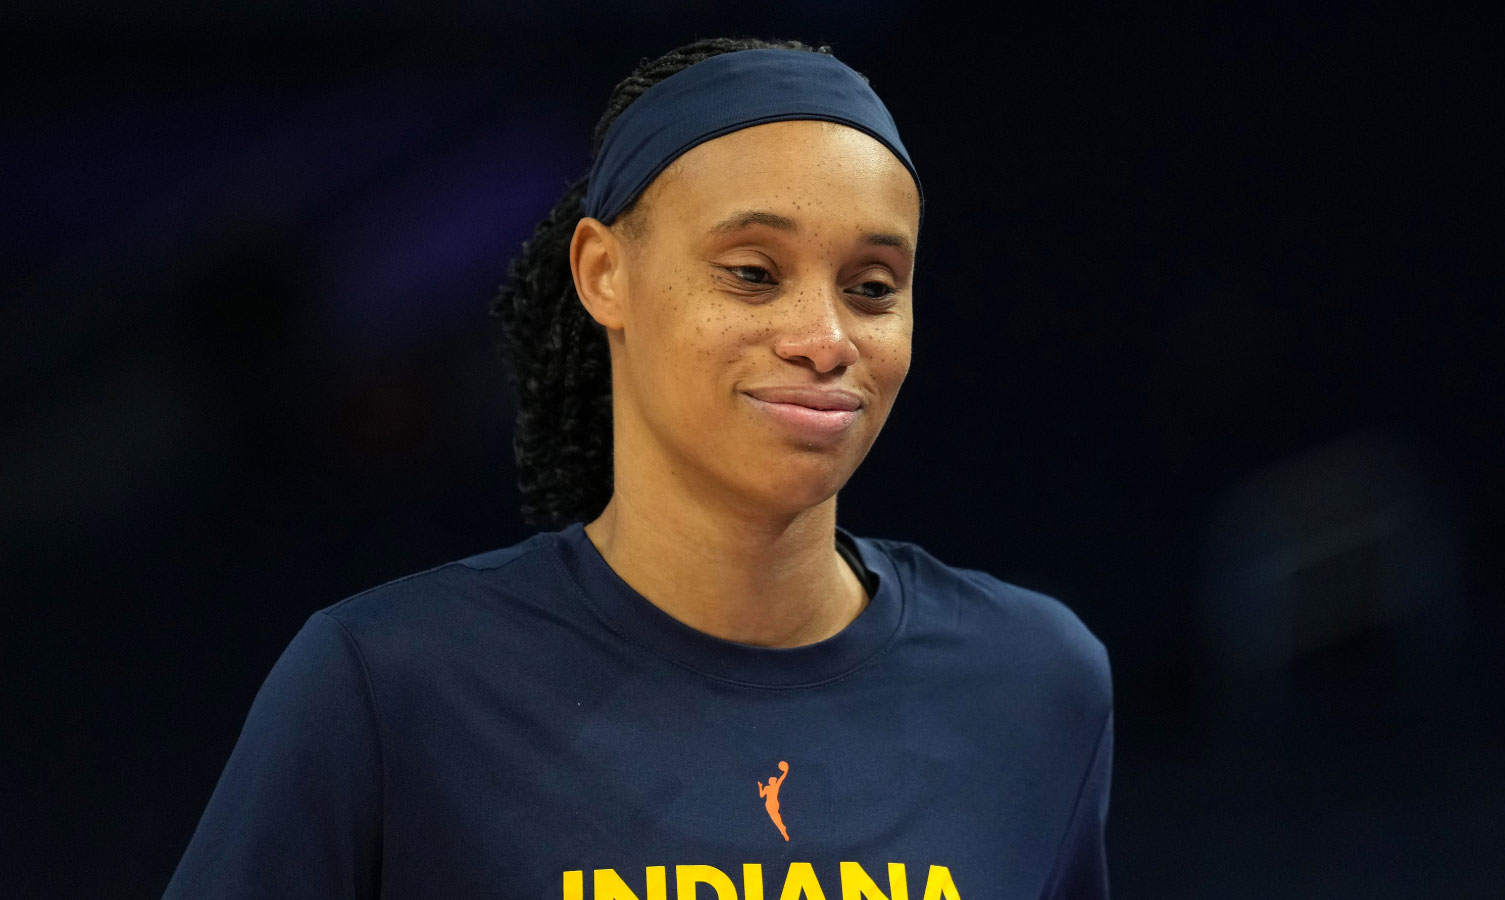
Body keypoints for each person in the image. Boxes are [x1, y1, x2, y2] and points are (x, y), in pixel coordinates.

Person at [162, 36, 1113, 900]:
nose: (826, 340)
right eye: (752, 272)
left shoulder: (1034, 681)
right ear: (602, 274)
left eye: (872, 288)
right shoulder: (391, 686)